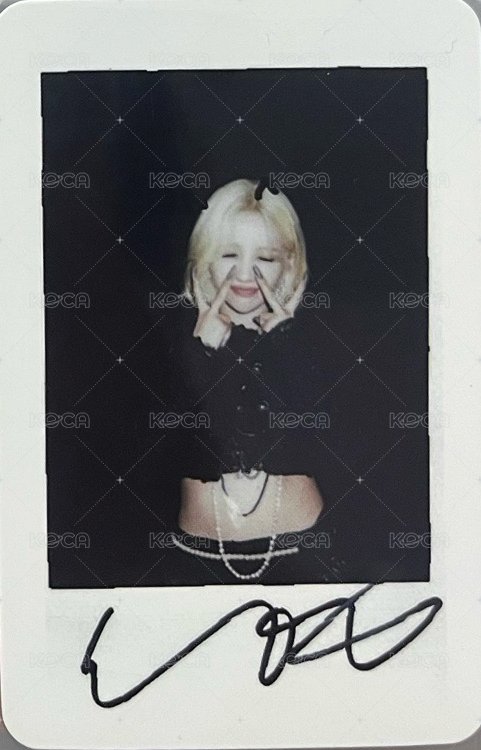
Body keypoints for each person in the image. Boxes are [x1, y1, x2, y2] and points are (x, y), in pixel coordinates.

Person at [159, 178, 341, 583]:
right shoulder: (166, 344)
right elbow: (163, 454)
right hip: (191, 559)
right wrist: (203, 355)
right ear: (203, 261)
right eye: (228, 254)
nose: (245, 273)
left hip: (307, 554)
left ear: (290, 265)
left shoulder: (319, 345)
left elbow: (332, 448)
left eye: (266, 257)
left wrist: (285, 346)